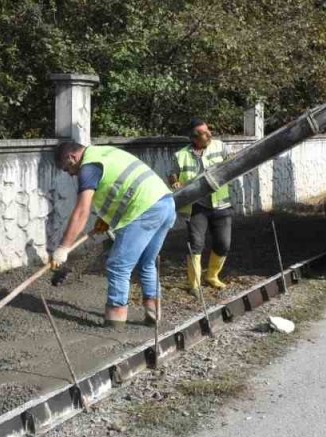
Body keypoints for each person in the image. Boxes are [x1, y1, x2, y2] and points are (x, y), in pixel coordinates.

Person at [52, 141, 176, 329]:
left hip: (144, 210)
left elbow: (81, 211)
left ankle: (115, 322)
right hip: (165, 203)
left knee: (118, 265)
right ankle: (153, 313)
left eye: (67, 168)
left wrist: (63, 247)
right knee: (146, 262)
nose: (70, 173)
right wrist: (108, 218)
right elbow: (120, 186)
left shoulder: (89, 167)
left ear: (72, 157)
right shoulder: (104, 152)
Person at [169, 119, 233, 292]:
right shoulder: (180, 155)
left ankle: (212, 276)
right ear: (194, 137)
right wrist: (175, 182)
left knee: (223, 243)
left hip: (220, 203)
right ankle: (194, 284)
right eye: (204, 133)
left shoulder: (220, 146)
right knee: (196, 244)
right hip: (196, 206)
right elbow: (172, 174)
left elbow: (233, 164)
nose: (209, 134)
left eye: (208, 130)